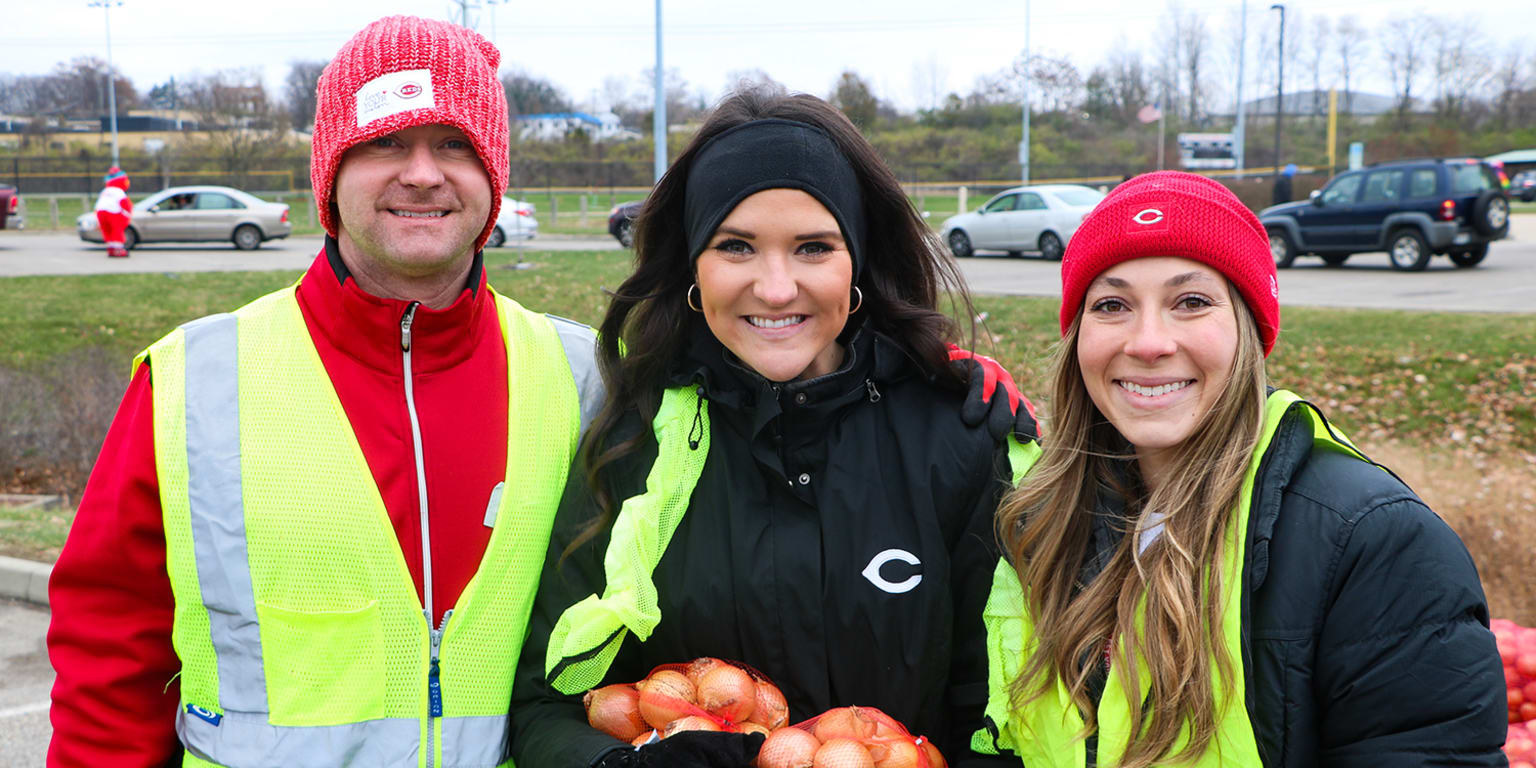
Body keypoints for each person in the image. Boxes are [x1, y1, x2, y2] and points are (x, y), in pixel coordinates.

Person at [47, 16, 604, 767]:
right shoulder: (194, 381)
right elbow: (109, 659)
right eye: (384, 142)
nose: (423, 173)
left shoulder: (585, 376)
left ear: (493, 177)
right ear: (331, 177)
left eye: (456, 144)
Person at [507, 87, 1040, 768]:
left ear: (857, 264)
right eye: (737, 247)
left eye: (813, 247)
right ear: (694, 269)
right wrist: (617, 766)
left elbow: (1009, 718)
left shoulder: (961, 437)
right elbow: (546, 706)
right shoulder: (633, 448)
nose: (777, 286)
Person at [977, 171, 1507, 767]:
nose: (1148, 341)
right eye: (1112, 305)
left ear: (1249, 329)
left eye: (1192, 301)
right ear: (1079, 336)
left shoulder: (1373, 541)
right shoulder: (1042, 519)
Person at [94, 166, 133, 258]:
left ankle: (111, 249)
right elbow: (125, 204)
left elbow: (98, 204)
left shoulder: (105, 191)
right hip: (113, 212)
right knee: (117, 231)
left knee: (107, 231)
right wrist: (128, 213)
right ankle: (118, 250)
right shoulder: (119, 191)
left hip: (101, 212)